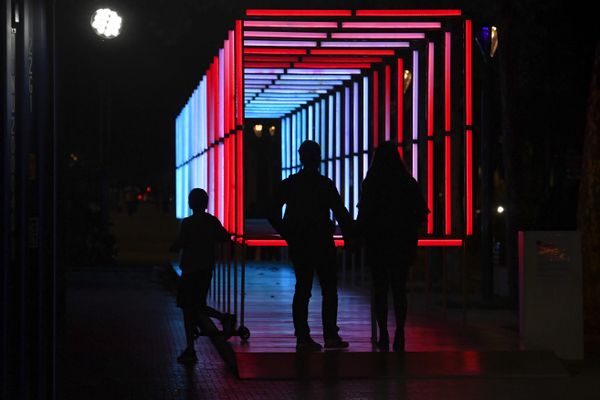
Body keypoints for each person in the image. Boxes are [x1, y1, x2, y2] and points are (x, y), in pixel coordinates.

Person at [267, 140, 354, 351]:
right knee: (329, 289)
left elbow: (271, 209)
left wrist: (288, 232)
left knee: (303, 289)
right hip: (323, 241)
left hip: (300, 242)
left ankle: (303, 337)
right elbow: (340, 212)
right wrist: (352, 235)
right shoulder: (325, 184)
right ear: (318, 158)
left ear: (300, 157)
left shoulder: (291, 183)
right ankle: (330, 335)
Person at [357, 142, 429, 352]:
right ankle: (399, 331)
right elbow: (420, 213)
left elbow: (365, 212)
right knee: (399, 288)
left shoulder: (372, 182)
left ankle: (383, 333)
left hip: (378, 241)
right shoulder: (407, 182)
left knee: (380, 289)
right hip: (401, 242)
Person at [169, 188, 235, 363]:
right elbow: (225, 237)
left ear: (191, 203)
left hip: (190, 269)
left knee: (187, 307)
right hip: (206, 268)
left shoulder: (188, 223)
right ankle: (224, 318)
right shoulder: (211, 221)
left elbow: (180, 243)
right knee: (198, 305)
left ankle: (191, 348)